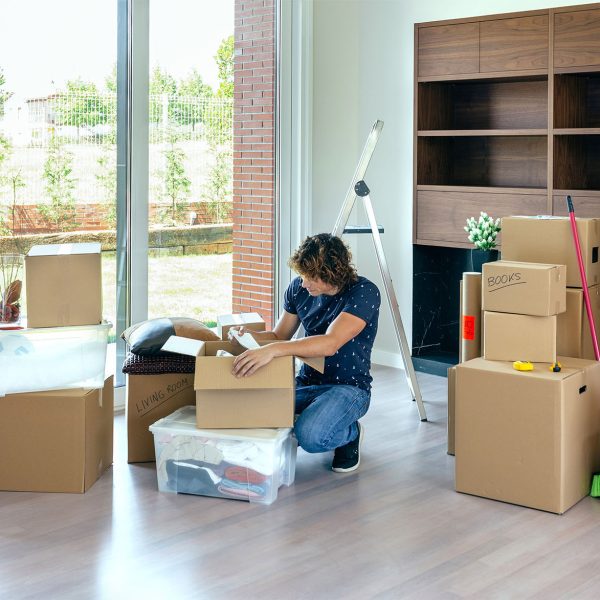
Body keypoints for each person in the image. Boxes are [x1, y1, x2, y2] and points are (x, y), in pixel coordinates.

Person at [231, 233, 381, 473]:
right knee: (254, 412)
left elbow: (330, 343)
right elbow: (280, 337)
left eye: (310, 277)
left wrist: (273, 350)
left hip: (348, 387)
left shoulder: (364, 292)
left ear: (332, 273)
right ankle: (315, 417)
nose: (303, 283)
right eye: (302, 275)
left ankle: (351, 433)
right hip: (307, 382)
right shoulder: (299, 290)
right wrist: (251, 336)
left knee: (311, 436)